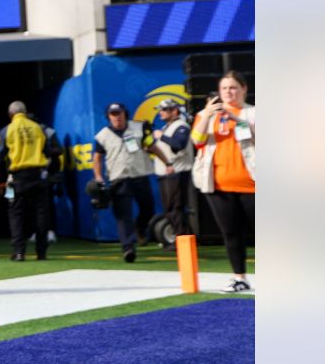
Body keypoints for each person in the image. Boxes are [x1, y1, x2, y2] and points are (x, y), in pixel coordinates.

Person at [190, 71, 255, 293]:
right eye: (225, 88)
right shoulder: (205, 115)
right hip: (218, 185)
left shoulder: (253, 113)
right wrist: (208, 115)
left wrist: (241, 121)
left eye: (234, 87)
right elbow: (196, 142)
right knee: (231, 232)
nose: (229, 92)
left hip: (252, 184)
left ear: (244, 89)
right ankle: (239, 277)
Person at [0, 101, 61, 261]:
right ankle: (41, 252)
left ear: (11, 115)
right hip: (38, 175)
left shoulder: (7, 130)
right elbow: (48, 151)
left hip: (17, 177)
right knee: (41, 213)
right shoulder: (38, 128)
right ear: (25, 112)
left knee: (16, 214)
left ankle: (19, 252)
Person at [92, 102, 168, 262]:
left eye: (119, 113)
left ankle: (140, 227)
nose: (117, 116)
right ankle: (128, 248)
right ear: (108, 117)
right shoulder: (102, 135)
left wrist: (167, 163)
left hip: (140, 175)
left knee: (148, 209)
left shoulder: (139, 128)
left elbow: (152, 146)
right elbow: (97, 158)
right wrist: (98, 176)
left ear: (125, 113)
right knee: (123, 215)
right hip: (119, 179)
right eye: (113, 114)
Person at [151, 98, 193, 248]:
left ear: (174, 111)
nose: (160, 113)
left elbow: (179, 144)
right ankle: (183, 240)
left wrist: (160, 136)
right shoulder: (166, 128)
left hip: (177, 172)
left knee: (176, 208)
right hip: (167, 174)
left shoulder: (181, 126)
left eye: (164, 110)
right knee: (170, 209)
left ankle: (183, 243)